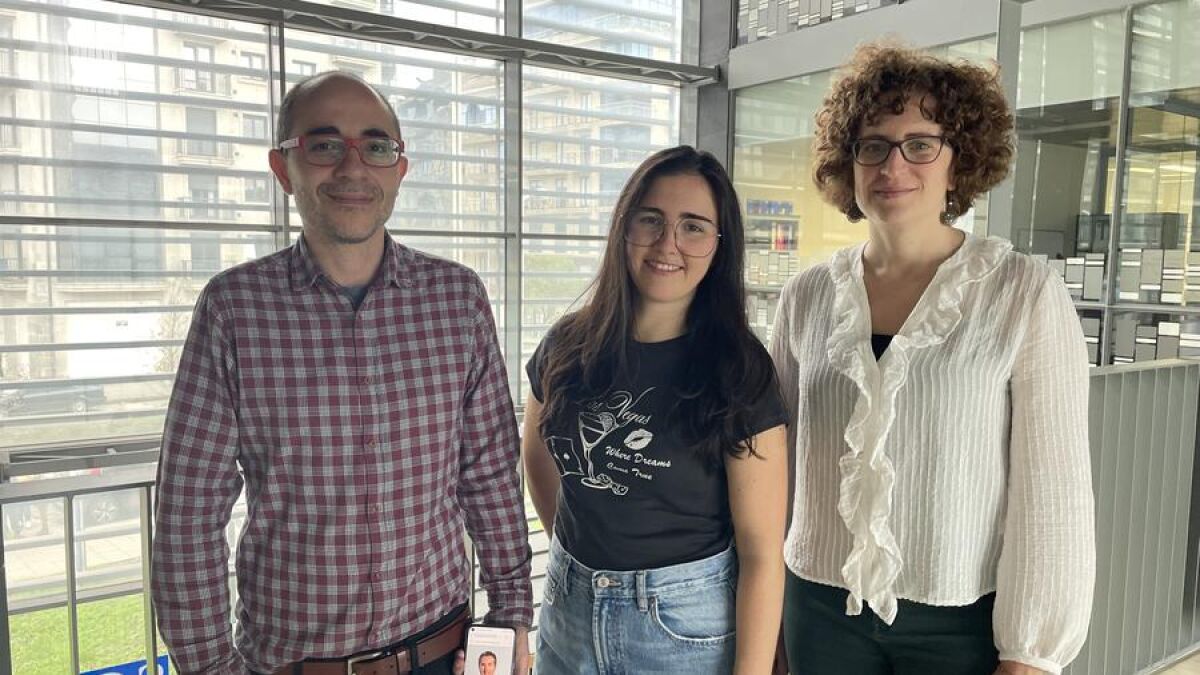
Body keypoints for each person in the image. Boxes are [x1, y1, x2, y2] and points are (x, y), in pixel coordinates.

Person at [151, 71, 533, 675]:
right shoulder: (234, 310)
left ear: (399, 169)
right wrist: (210, 667)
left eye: (376, 146)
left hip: (443, 654)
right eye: (325, 144)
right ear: (284, 169)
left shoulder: (456, 300)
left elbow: (489, 475)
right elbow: (188, 515)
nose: (353, 167)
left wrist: (511, 617)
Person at [770, 42, 1095, 675]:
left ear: (959, 159)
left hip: (959, 624)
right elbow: (778, 467)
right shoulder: (805, 296)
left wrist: (1032, 652)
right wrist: (768, 614)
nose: (893, 165)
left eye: (920, 144)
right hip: (817, 609)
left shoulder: (1022, 292)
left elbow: (1053, 490)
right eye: (873, 145)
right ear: (848, 162)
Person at [522, 146, 789, 675]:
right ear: (625, 227)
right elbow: (538, 455)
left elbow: (761, 554)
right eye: (651, 220)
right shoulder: (567, 343)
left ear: (719, 244)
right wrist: (587, 567)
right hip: (568, 613)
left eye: (693, 227)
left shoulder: (740, 368)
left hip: (682, 628)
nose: (668, 243)